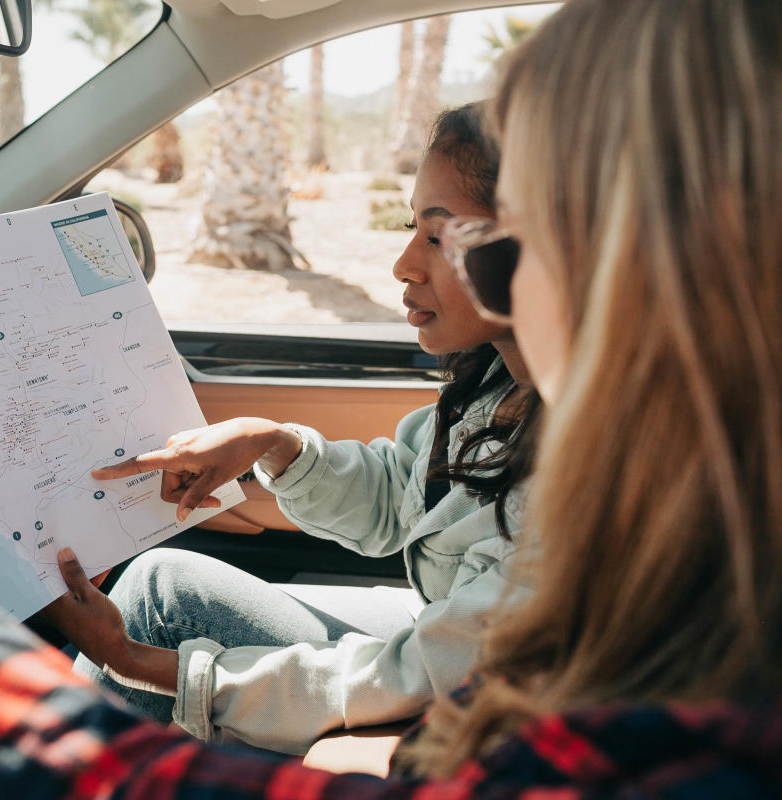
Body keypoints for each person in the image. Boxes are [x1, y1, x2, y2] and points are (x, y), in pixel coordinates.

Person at [0, 0, 781, 795]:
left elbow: (69, 775)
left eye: (502, 248)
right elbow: (399, 502)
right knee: (158, 586)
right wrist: (283, 449)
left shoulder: (666, 741)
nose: (487, 287)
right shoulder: (666, 585)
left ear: (684, 275)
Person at [44, 103, 541, 754]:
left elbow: (424, 677)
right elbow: (403, 497)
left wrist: (144, 666)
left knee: (148, 621)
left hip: (453, 687)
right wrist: (270, 444)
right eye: (409, 226)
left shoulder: (582, 472)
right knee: (160, 584)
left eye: (439, 236)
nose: (402, 265)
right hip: (441, 627)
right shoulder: (495, 383)